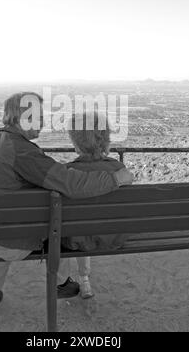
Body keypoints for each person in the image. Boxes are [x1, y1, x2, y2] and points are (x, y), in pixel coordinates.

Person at [0, 92, 132, 311]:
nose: (43, 122)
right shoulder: (23, 152)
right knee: (56, 229)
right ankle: (62, 284)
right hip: (8, 240)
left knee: (25, 225)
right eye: (38, 116)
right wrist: (115, 178)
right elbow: (71, 183)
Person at [64, 111, 133, 298]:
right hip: (114, 238)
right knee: (86, 224)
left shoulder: (68, 173)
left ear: (76, 142)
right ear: (105, 138)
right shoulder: (119, 170)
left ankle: (77, 280)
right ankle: (84, 279)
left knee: (77, 227)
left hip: (77, 240)